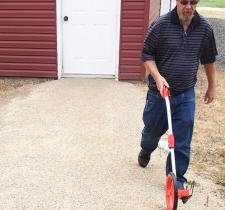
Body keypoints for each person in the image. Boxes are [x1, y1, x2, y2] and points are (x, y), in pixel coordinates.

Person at [138, 0, 217, 195]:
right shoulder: (161, 25)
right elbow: (147, 55)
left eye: (193, 2)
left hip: (185, 94)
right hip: (159, 95)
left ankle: (177, 180)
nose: (189, 6)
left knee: (182, 139)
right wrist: (157, 77)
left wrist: (212, 86)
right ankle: (146, 149)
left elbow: (208, 59)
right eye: (184, 2)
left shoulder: (204, 28)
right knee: (151, 133)